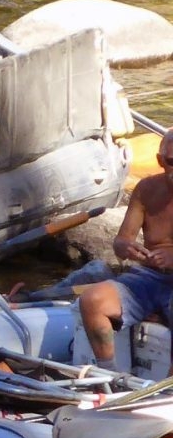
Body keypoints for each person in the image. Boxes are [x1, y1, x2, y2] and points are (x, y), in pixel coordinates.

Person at [77, 128, 173, 372]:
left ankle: (168, 393)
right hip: (150, 278)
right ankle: (108, 377)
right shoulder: (146, 189)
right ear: (161, 161)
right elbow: (120, 242)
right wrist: (129, 248)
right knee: (92, 301)